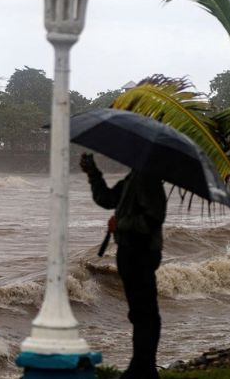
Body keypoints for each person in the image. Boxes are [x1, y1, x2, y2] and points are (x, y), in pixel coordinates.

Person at [80, 153, 166, 379]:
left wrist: (122, 223)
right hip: (129, 251)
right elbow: (107, 199)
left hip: (142, 252)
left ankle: (144, 368)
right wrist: (93, 173)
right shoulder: (134, 177)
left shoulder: (148, 179)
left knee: (145, 313)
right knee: (139, 313)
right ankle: (140, 367)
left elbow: (154, 218)